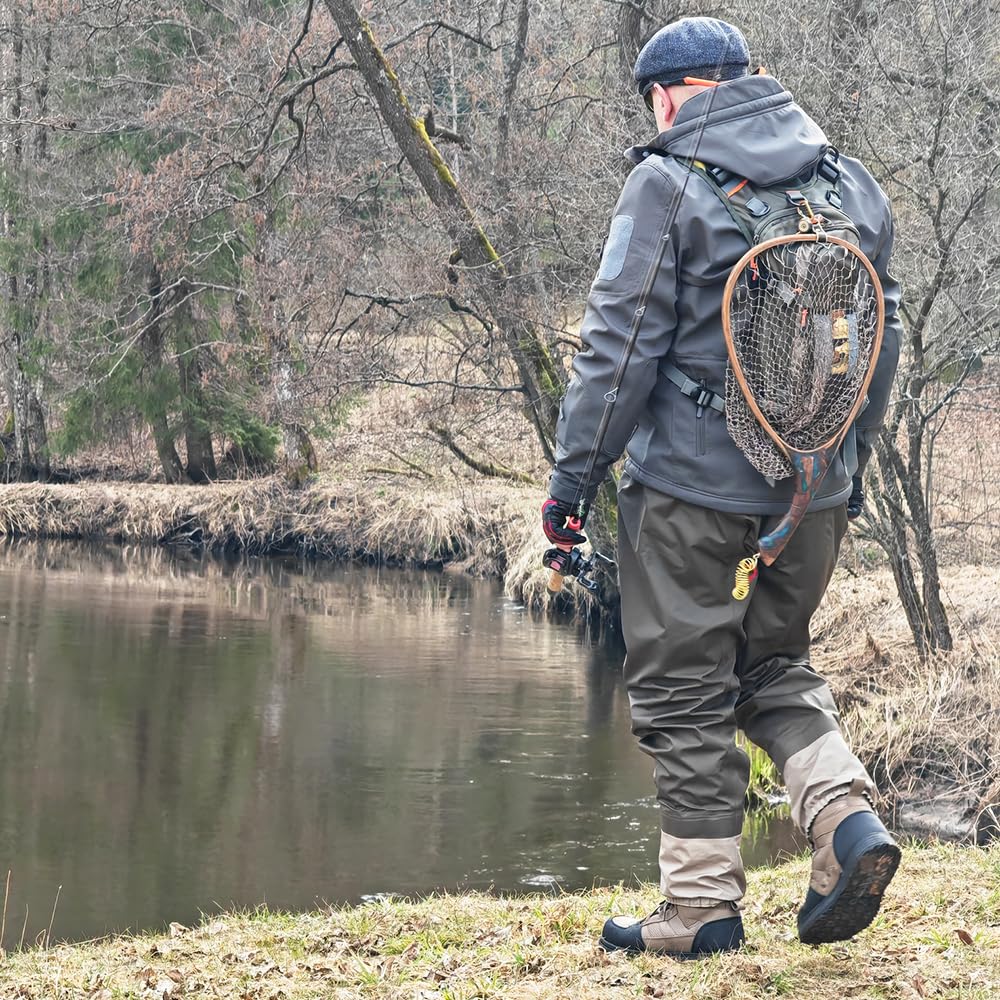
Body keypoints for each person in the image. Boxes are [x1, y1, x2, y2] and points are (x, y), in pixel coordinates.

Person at [541, 16, 902, 957]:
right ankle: (846, 819)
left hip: (691, 501)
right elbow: (883, 337)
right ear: (749, 79)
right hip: (811, 492)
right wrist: (845, 462)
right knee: (773, 668)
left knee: (681, 689)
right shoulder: (845, 179)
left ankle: (700, 910)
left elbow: (616, 355)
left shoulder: (666, 184)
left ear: (669, 96)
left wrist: (570, 487)